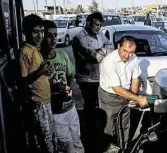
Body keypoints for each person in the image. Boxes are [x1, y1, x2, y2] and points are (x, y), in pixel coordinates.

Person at [41, 20, 84, 153]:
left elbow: (70, 75)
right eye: (49, 35)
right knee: (66, 145)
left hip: (70, 107)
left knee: (77, 140)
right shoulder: (39, 60)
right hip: (55, 111)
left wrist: (69, 88)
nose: (54, 39)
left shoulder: (62, 55)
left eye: (55, 35)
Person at [98, 36, 148, 147]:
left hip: (125, 95)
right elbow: (117, 89)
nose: (127, 55)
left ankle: (123, 148)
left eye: (131, 52)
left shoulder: (134, 58)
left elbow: (135, 79)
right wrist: (138, 98)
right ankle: (110, 149)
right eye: (125, 51)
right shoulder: (109, 61)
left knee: (124, 125)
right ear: (118, 46)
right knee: (109, 128)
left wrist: (132, 98)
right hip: (109, 97)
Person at [19, 14, 56, 152]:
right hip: (37, 104)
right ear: (26, 33)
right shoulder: (25, 52)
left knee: (50, 138)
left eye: (42, 31)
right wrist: (41, 71)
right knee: (43, 142)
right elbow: (23, 81)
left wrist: (46, 70)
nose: (40, 35)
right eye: (35, 32)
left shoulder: (36, 49)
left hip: (45, 101)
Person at [72, 11, 108, 152]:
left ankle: (95, 130)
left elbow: (108, 46)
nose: (98, 28)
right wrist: (101, 52)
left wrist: (103, 50)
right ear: (88, 23)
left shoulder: (99, 34)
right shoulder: (79, 38)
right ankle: (87, 134)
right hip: (86, 78)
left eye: (100, 25)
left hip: (99, 76)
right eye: (96, 25)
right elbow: (94, 56)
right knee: (89, 104)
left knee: (97, 103)